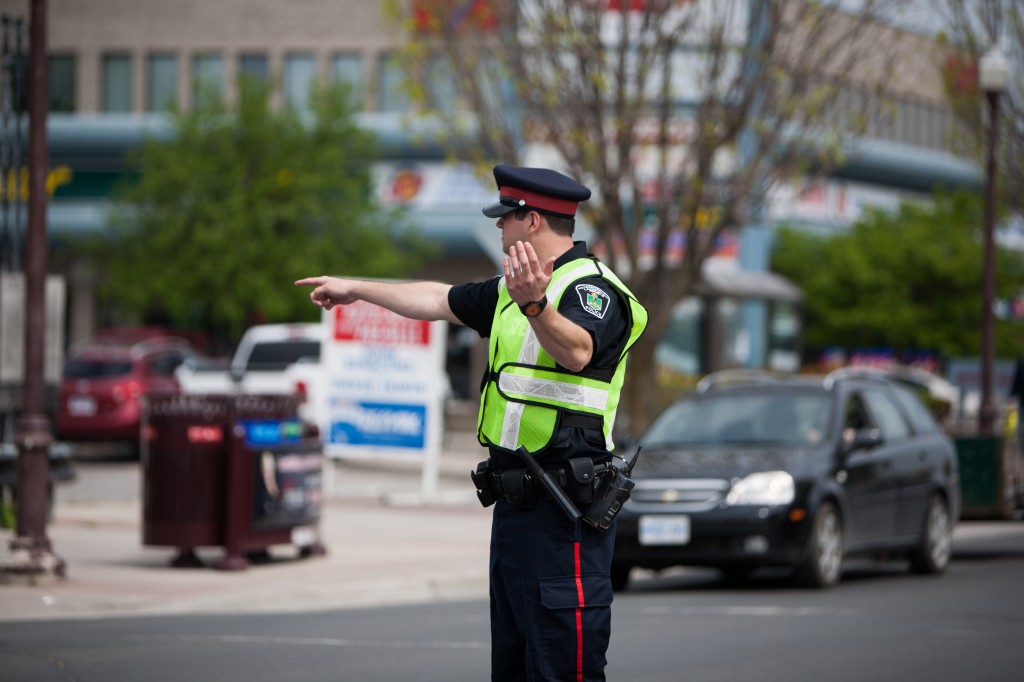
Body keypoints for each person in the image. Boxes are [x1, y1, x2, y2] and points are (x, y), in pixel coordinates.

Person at [296, 163, 648, 682]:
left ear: (531, 222)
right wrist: (357, 289)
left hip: (564, 513)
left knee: (562, 669)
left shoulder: (592, 289)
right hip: (513, 512)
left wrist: (535, 305)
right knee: (513, 666)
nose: (499, 228)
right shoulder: (510, 290)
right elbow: (439, 298)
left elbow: (576, 351)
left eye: (505, 218)